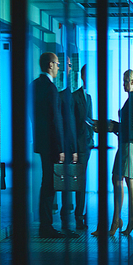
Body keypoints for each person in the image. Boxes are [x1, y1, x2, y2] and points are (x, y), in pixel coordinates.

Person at [91, 70, 133, 236]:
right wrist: (112, 125)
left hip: (131, 143)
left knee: (129, 181)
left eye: (125, 81)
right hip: (129, 143)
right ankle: (128, 220)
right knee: (122, 179)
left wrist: (111, 126)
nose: (123, 84)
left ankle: (125, 220)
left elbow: (132, 126)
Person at [32, 52, 77, 238]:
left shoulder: (33, 86)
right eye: (58, 64)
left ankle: (46, 224)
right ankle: (46, 226)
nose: (59, 67)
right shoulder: (50, 88)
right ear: (50, 65)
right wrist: (60, 148)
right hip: (52, 145)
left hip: (42, 143)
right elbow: (55, 121)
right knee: (50, 184)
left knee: (47, 182)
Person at [71, 64, 94, 230]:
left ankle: (80, 213)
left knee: (82, 181)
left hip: (87, 144)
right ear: (83, 76)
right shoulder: (74, 97)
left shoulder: (89, 97)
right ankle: (77, 215)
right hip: (77, 146)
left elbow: (89, 121)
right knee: (78, 181)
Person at [58, 56, 78, 232]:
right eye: (68, 65)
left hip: (65, 144)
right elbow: (66, 122)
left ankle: (67, 216)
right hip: (62, 145)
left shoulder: (69, 92)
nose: (71, 68)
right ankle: (65, 220)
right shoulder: (62, 92)